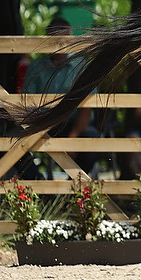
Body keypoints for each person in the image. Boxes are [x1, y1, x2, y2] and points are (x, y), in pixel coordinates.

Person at [22, 16, 100, 176]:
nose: (59, 45)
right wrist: (37, 128)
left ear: (71, 39)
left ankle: (76, 189)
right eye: (55, 40)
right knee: (12, 140)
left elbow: (87, 108)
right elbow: (27, 103)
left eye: (63, 40)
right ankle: (39, 188)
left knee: (92, 139)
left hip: (74, 125)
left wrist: (73, 137)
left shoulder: (81, 65)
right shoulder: (36, 67)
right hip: (43, 123)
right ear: (47, 40)